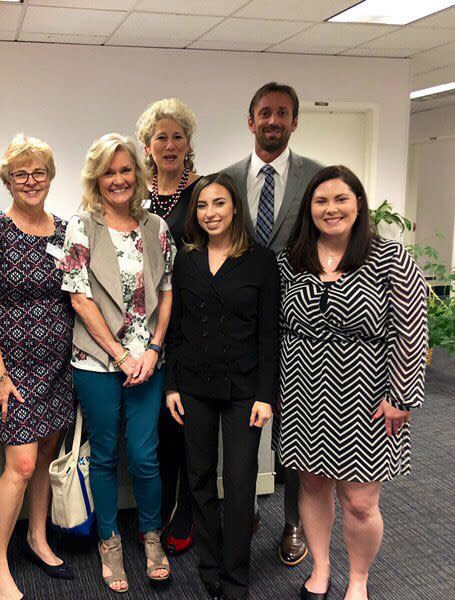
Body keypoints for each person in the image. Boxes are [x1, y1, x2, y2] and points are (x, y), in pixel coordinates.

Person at [277, 165, 427, 600]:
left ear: (358, 204)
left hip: (367, 395)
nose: (331, 209)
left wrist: (401, 397)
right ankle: (321, 569)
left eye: (341, 199)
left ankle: (358, 580)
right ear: (310, 208)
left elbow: (411, 329)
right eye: (321, 201)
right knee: (311, 485)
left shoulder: (390, 257)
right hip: (302, 390)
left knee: (360, 502)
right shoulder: (293, 259)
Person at [59, 133, 175, 594]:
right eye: (109, 171)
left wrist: (153, 348)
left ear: (138, 175)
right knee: (104, 457)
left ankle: (150, 539)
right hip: (97, 362)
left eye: (126, 170)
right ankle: (110, 543)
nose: (119, 179)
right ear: (96, 178)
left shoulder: (157, 228)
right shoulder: (81, 226)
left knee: (146, 459)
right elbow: (79, 298)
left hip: (148, 363)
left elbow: (167, 290)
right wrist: (121, 354)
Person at [221, 81, 323, 566]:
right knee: (241, 430)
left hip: (300, 328)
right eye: (265, 113)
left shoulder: (318, 180)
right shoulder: (225, 180)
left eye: (283, 113)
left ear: (295, 121)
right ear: (250, 120)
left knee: (296, 437)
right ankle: (245, 512)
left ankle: (294, 522)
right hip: (240, 330)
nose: (273, 121)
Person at [165, 173, 280, 600]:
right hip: (192, 387)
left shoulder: (261, 261)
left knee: (238, 483)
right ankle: (209, 563)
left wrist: (266, 396)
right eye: (201, 206)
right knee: (197, 480)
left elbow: (269, 334)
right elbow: (176, 327)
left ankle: (236, 575)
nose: (210, 213)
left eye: (218, 204)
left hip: (244, 391)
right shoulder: (187, 260)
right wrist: (172, 385)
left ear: (235, 208)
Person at [0, 134, 76, 600]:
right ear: (8, 181)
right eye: (21, 174)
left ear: (50, 177)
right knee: (21, 463)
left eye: (39, 173)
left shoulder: (66, 230)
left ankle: (38, 537)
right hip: (11, 368)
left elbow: (77, 297)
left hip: (58, 363)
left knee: (47, 457)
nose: (30, 181)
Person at [135, 97, 201, 555]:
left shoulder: (205, 189)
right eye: (162, 137)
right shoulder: (135, 192)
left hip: (193, 321)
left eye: (178, 136)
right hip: (145, 323)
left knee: (185, 425)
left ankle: (189, 512)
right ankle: (157, 513)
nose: (170, 144)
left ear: (188, 143)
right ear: (147, 145)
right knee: (157, 424)